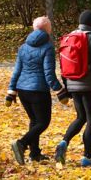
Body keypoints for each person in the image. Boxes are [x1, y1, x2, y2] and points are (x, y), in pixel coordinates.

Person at [55, 10, 91, 167]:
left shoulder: (69, 37)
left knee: (81, 117)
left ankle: (63, 142)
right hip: (89, 85)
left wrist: (66, 85)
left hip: (72, 84)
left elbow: (63, 63)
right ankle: (88, 156)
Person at [7, 16, 63, 165]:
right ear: (48, 29)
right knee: (43, 122)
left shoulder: (23, 47)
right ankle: (22, 143)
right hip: (38, 91)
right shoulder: (47, 47)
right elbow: (49, 73)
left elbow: (17, 70)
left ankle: (35, 153)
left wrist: (11, 90)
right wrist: (59, 90)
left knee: (34, 121)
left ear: (34, 28)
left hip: (23, 90)